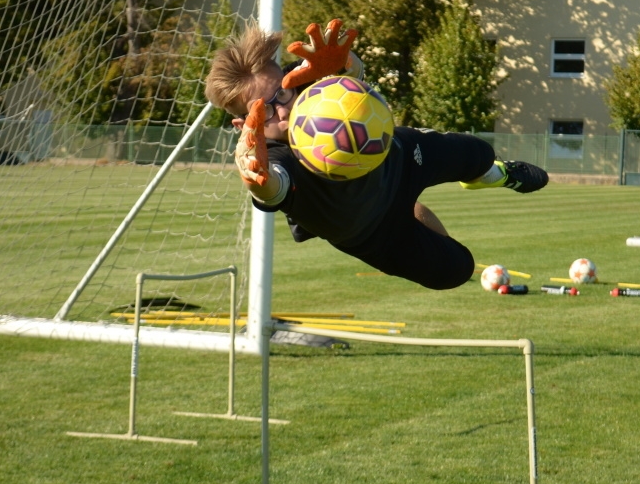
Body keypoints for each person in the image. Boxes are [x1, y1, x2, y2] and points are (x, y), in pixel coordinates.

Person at [204, 20, 548, 290]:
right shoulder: (272, 158)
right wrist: (257, 182)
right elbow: (273, 188)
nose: (284, 108)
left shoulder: (306, 85)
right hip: (374, 232)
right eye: (265, 109)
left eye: (283, 92)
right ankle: (411, 209)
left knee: (479, 154)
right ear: (242, 124)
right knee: (458, 269)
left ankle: (495, 175)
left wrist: (345, 63)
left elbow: (351, 79)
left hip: (398, 158)